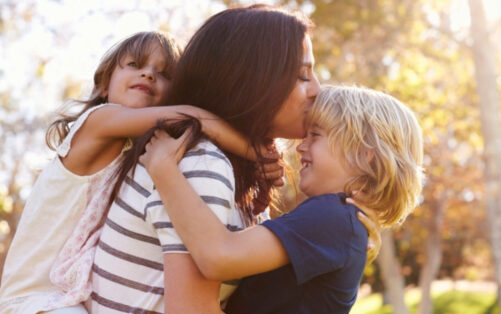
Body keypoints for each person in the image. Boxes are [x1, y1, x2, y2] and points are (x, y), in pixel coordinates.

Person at [0, 31, 263, 314]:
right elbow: (192, 118)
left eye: (163, 74)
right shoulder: (97, 122)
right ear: (104, 84)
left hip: (71, 294)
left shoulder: (137, 155)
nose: (148, 75)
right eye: (135, 65)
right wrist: (258, 154)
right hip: (33, 298)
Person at [141, 85, 424, 313]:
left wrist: (163, 167)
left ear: (364, 155)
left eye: (315, 135)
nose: (301, 147)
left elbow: (219, 256)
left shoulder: (333, 216)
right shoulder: (341, 223)